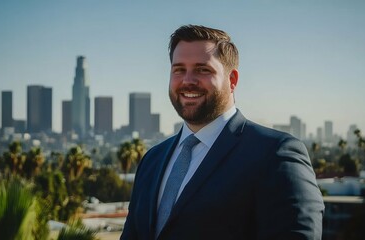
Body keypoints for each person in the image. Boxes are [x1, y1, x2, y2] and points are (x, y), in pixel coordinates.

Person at [121, 24, 324, 240]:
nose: (188, 80)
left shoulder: (275, 154)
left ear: (232, 80)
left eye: (202, 69)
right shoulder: (152, 160)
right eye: (179, 69)